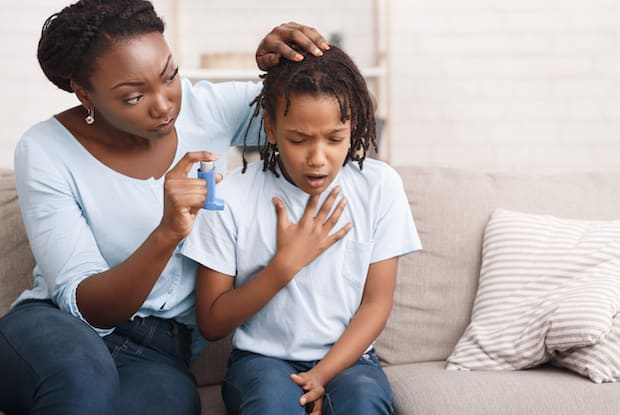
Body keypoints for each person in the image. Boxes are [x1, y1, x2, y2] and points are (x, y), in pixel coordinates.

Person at [0, 0, 331, 414]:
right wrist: (167, 232)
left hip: (159, 349)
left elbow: (337, 111)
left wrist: (283, 69)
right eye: (134, 96)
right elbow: (86, 306)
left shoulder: (207, 108)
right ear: (85, 94)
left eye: (170, 75)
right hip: (58, 328)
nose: (164, 104)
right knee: (82, 381)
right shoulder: (46, 149)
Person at [181, 45, 422, 414]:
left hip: (350, 360)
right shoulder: (232, 195)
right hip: (261, 361)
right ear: (270, 129)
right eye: (298, 139)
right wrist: (284, 266)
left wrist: (323, 374)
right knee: (270, 405)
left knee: (363, 401)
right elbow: (212, 322)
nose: (317, 158)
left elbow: (377, 302)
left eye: (335, 138)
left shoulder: (379, 186)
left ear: (353, 126)